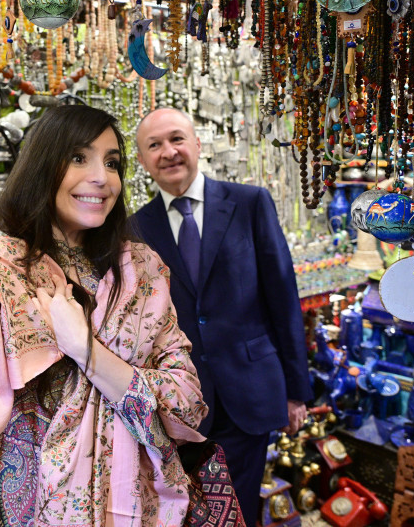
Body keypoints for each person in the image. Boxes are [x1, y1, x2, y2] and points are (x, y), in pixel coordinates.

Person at [0, 72, 208, 527]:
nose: (101, 178)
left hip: (132, 502)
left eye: (112, 163)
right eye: (78, 158)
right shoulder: (5, 265)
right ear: (42, 167)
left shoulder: (141, 269)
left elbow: (186, 399)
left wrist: (86, 351)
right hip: (32, 506)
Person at [129, 108, 313, 526]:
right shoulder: (135, 228)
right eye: (154, 145)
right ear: (142, 160)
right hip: (177, 405)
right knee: (186, 513)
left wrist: (296, 392)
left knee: (240, 509)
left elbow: (283, 298)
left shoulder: (250, 203)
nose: (168, 152)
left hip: (248, 393)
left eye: (177, 138)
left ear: (197, 144)